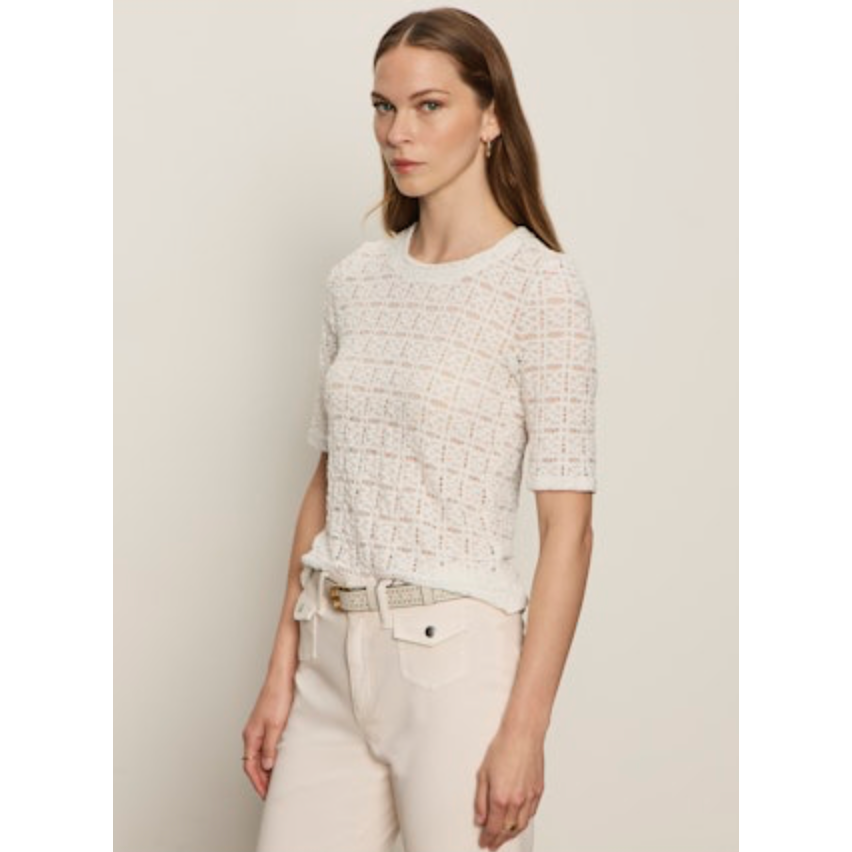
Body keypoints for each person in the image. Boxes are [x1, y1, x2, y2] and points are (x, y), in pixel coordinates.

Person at [242, 8, 597, 852]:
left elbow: (569, 531)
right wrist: (281, 669)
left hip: (456, 667)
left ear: (491, 115)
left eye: (429, 106)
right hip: (330, 650)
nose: (398, 132)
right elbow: (329, 484)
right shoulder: (354, 281)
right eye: (384, 106)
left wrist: (526, 729)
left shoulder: (540, 289)